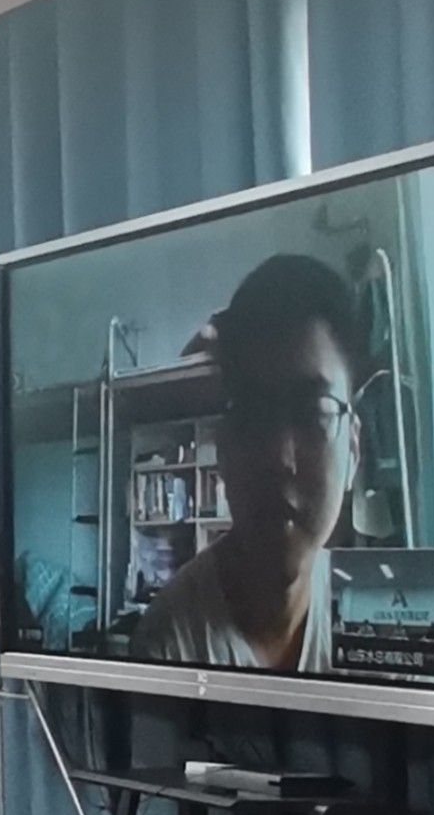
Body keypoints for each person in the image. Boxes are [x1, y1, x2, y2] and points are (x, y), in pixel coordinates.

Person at [136, 254, 366, 672]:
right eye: (254, 414)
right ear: (222, 449)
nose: (280, 458)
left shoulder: (375, 619)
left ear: (353, 450)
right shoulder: (169, 644)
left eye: (313, 413)